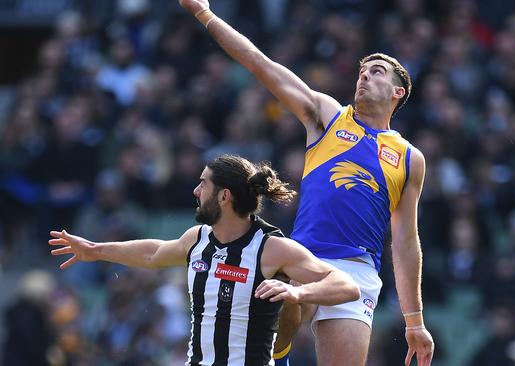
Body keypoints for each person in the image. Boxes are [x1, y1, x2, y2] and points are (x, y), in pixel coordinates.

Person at [178, 2, 435, 366]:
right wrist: (205, 14)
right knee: (280, 298)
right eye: (362, 72)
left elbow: (406, 241)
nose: (364, 77)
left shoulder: (410, 158)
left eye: (376, 72)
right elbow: (259, 63)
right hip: (303, 257)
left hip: (355, 269)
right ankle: (275, 358)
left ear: (398, 92)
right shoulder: (329, 117)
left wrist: (414, 321)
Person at [49, 154, 360, 366]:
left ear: (224, 196)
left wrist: (298, 293)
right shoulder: (196, 239)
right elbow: (154, 253)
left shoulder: (272, 247)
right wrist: (95, 250)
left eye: (203, 184)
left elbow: (346, 286)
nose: (196, 191)